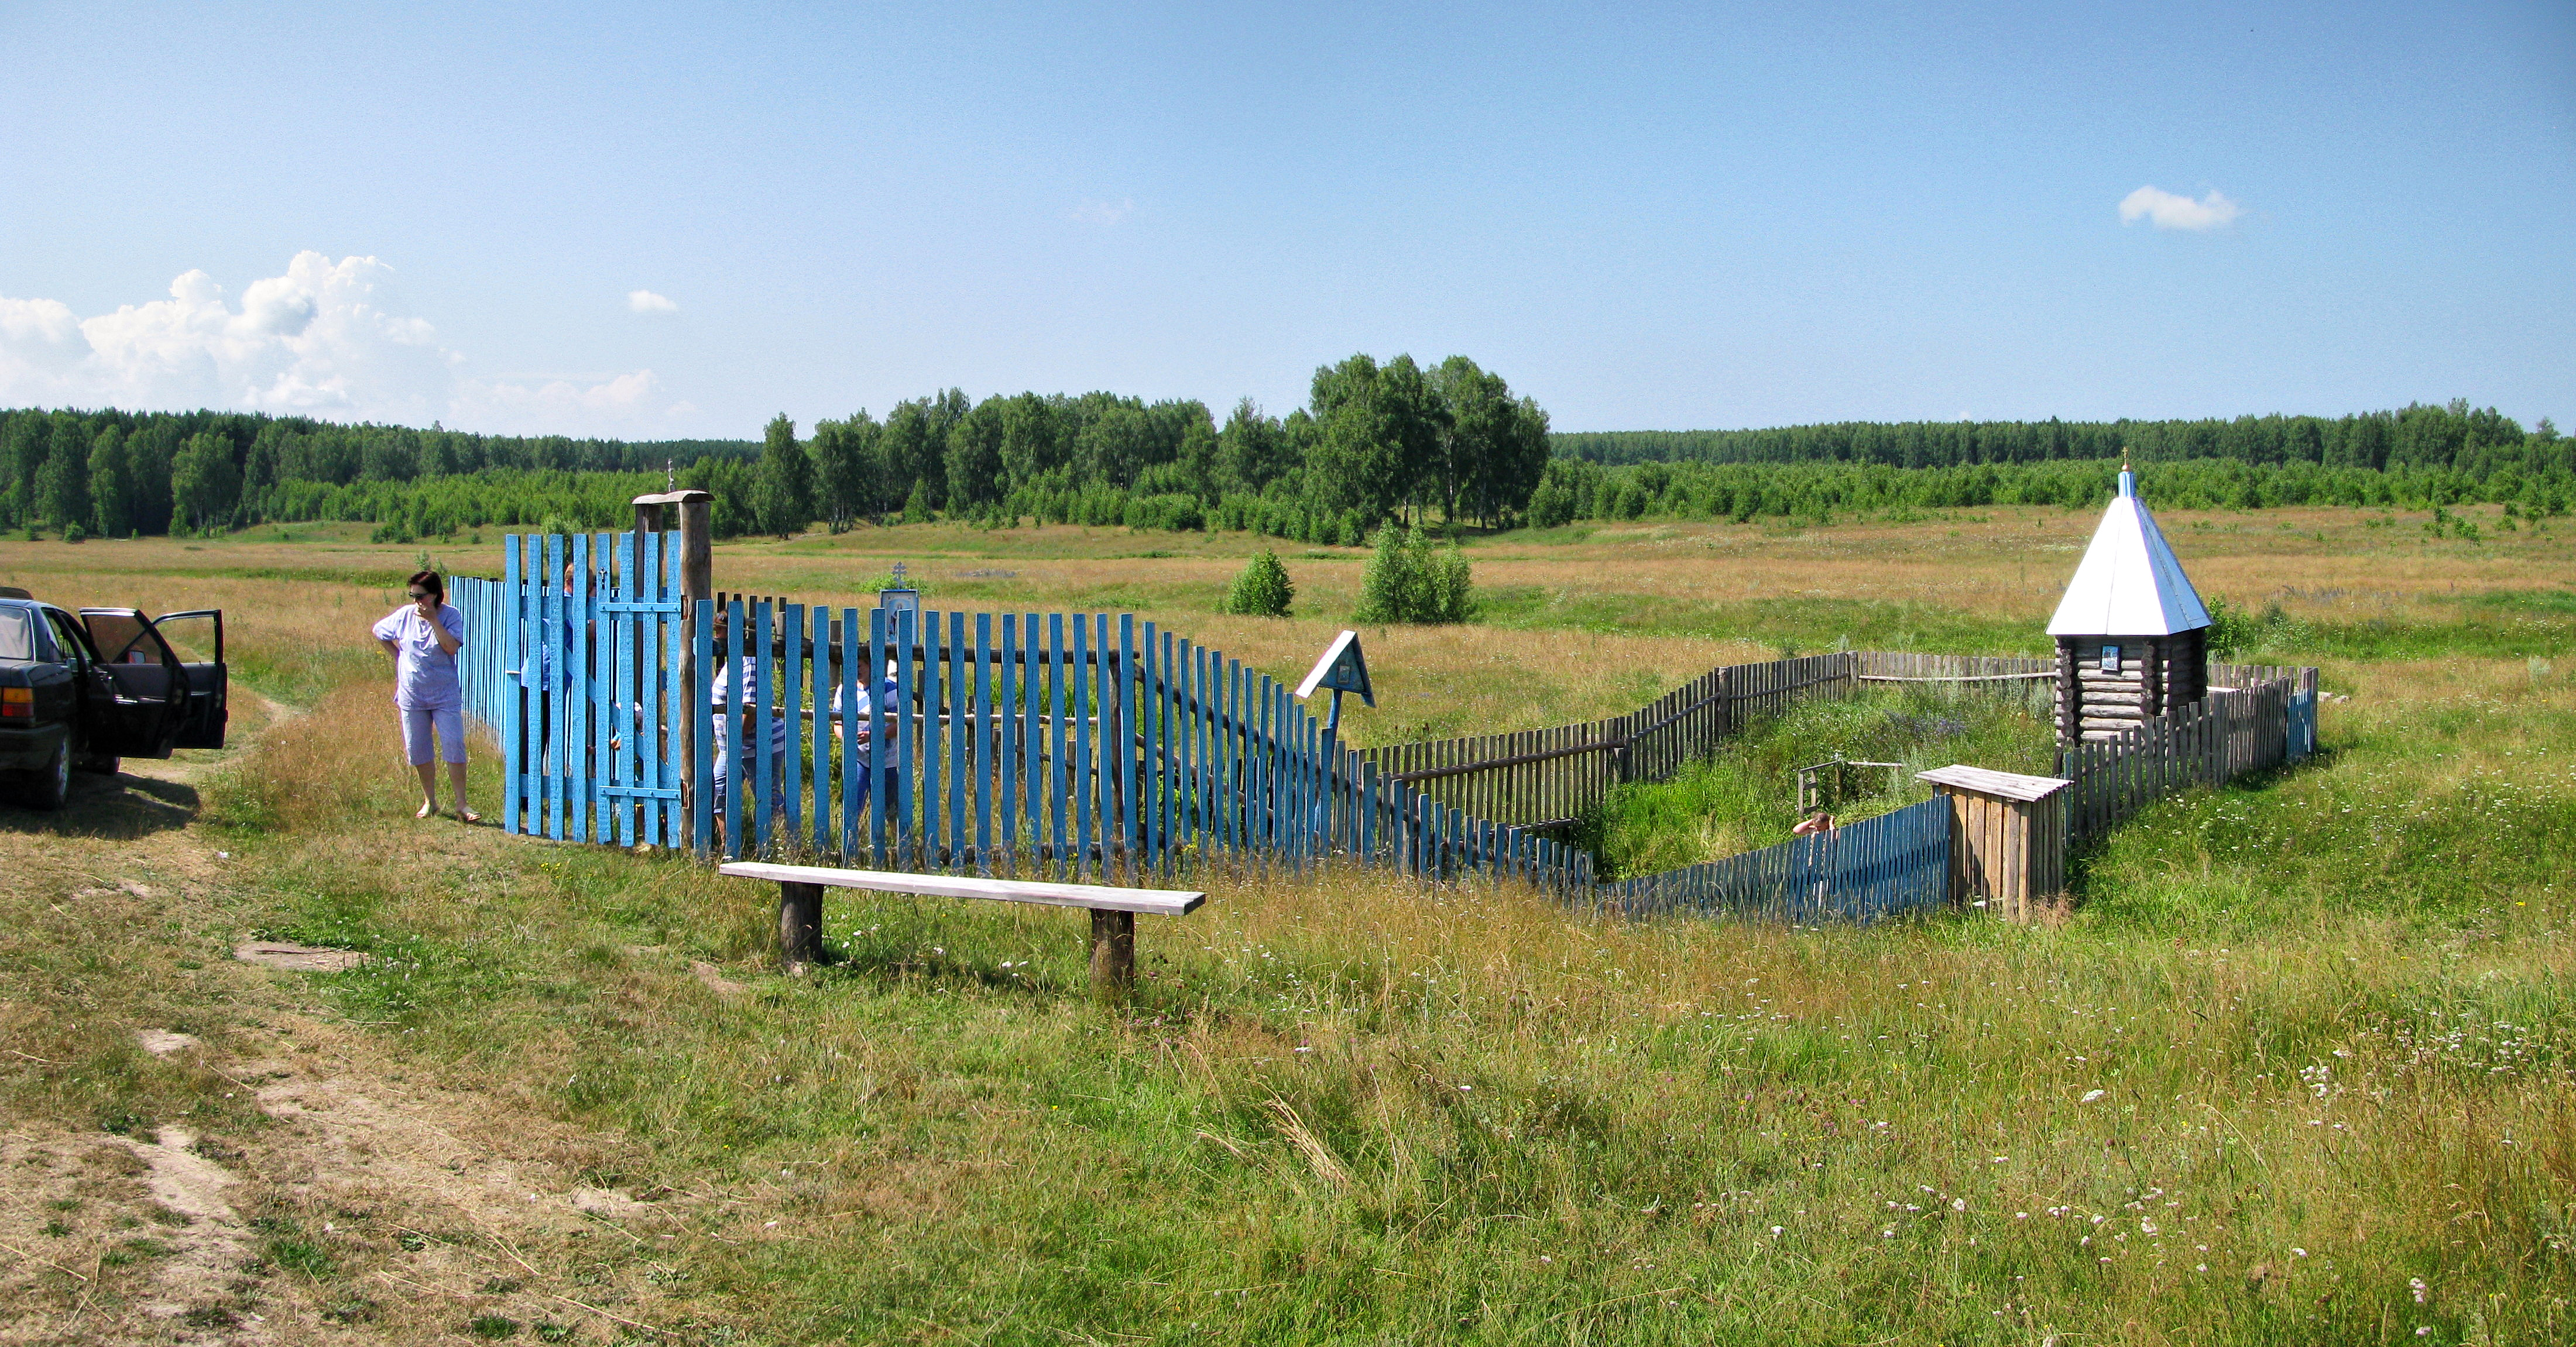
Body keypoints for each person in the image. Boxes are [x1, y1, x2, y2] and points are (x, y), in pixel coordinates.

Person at [373, 570, 476, 822]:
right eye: (413, 596)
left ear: (435, 595)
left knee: (453, 745)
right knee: (417, 748)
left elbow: (451, 648)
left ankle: (462, 804)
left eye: (421, 596)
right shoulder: (405, 616)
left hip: (444, 693)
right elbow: (379, 631)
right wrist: (398, 657)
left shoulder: (451, 616)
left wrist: (434, 621)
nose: (417, 602)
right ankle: (430, 801)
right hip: (412, 694)